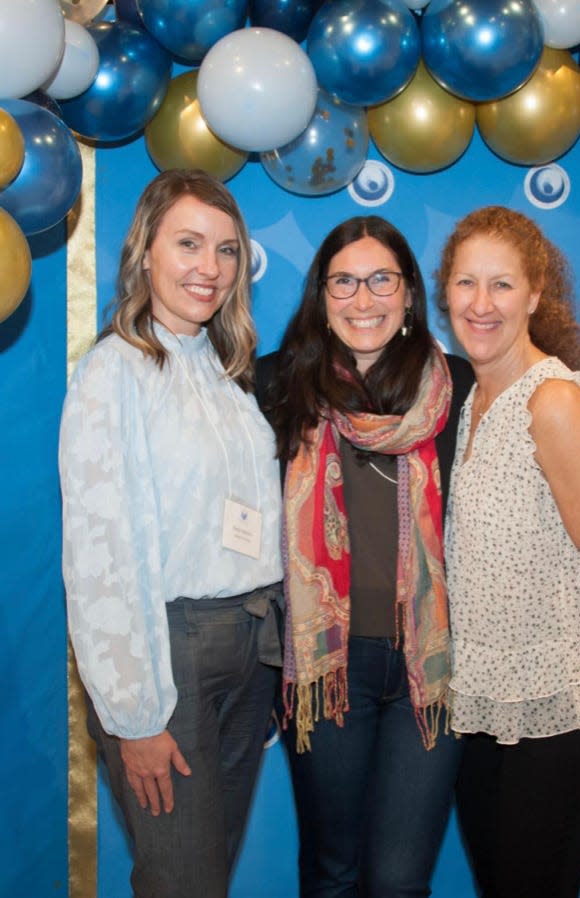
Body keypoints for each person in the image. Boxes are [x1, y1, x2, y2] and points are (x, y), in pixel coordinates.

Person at [59, 169, 283, 898]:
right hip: (167, 660)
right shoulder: (111, 374)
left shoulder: (227, 374)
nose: (208, 268)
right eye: (188, 244)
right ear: (144, 252)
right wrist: (133, 716)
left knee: (202, 878)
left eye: (225, 251)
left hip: (250, 650)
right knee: (183, 883)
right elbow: (101, 556)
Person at [436, 206, 580, 898]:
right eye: (465, 283)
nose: (480, 303)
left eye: (501, 285)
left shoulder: (552, 401)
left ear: (534, 294)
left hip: (561, 712)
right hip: (480, 709)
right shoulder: (466, 400)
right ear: (444, 293)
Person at [256, 215, 474, 897]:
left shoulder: (460, 390)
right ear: (320, 299)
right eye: (343, 282)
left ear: (409, 294)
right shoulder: (272, 388)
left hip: (430, 667)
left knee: (400, 879)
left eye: (381, 280)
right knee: (333, 869)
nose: (363, 299)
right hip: (329, 669)